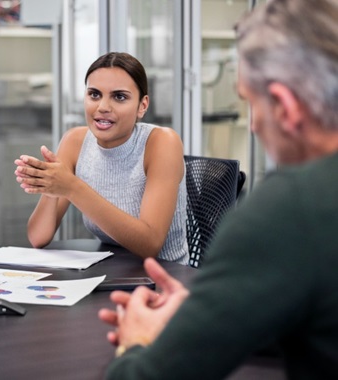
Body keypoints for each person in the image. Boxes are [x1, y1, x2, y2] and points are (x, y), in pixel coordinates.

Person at [98, 0, 338, 378]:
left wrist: (139, 340)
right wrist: (212, 311)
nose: (255, 126)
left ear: (285, 106)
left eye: (251, 104)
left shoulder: (291, 208)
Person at [14, 52, 188, 264]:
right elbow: (38, 238)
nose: (103, 107)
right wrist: (51, 189)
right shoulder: (74, 141)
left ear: (142, 106)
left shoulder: (162, 142)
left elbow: (150, 244)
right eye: (94, 95)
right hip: (112, 273)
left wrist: (71, 187)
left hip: (164, 282)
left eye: (119, 97)